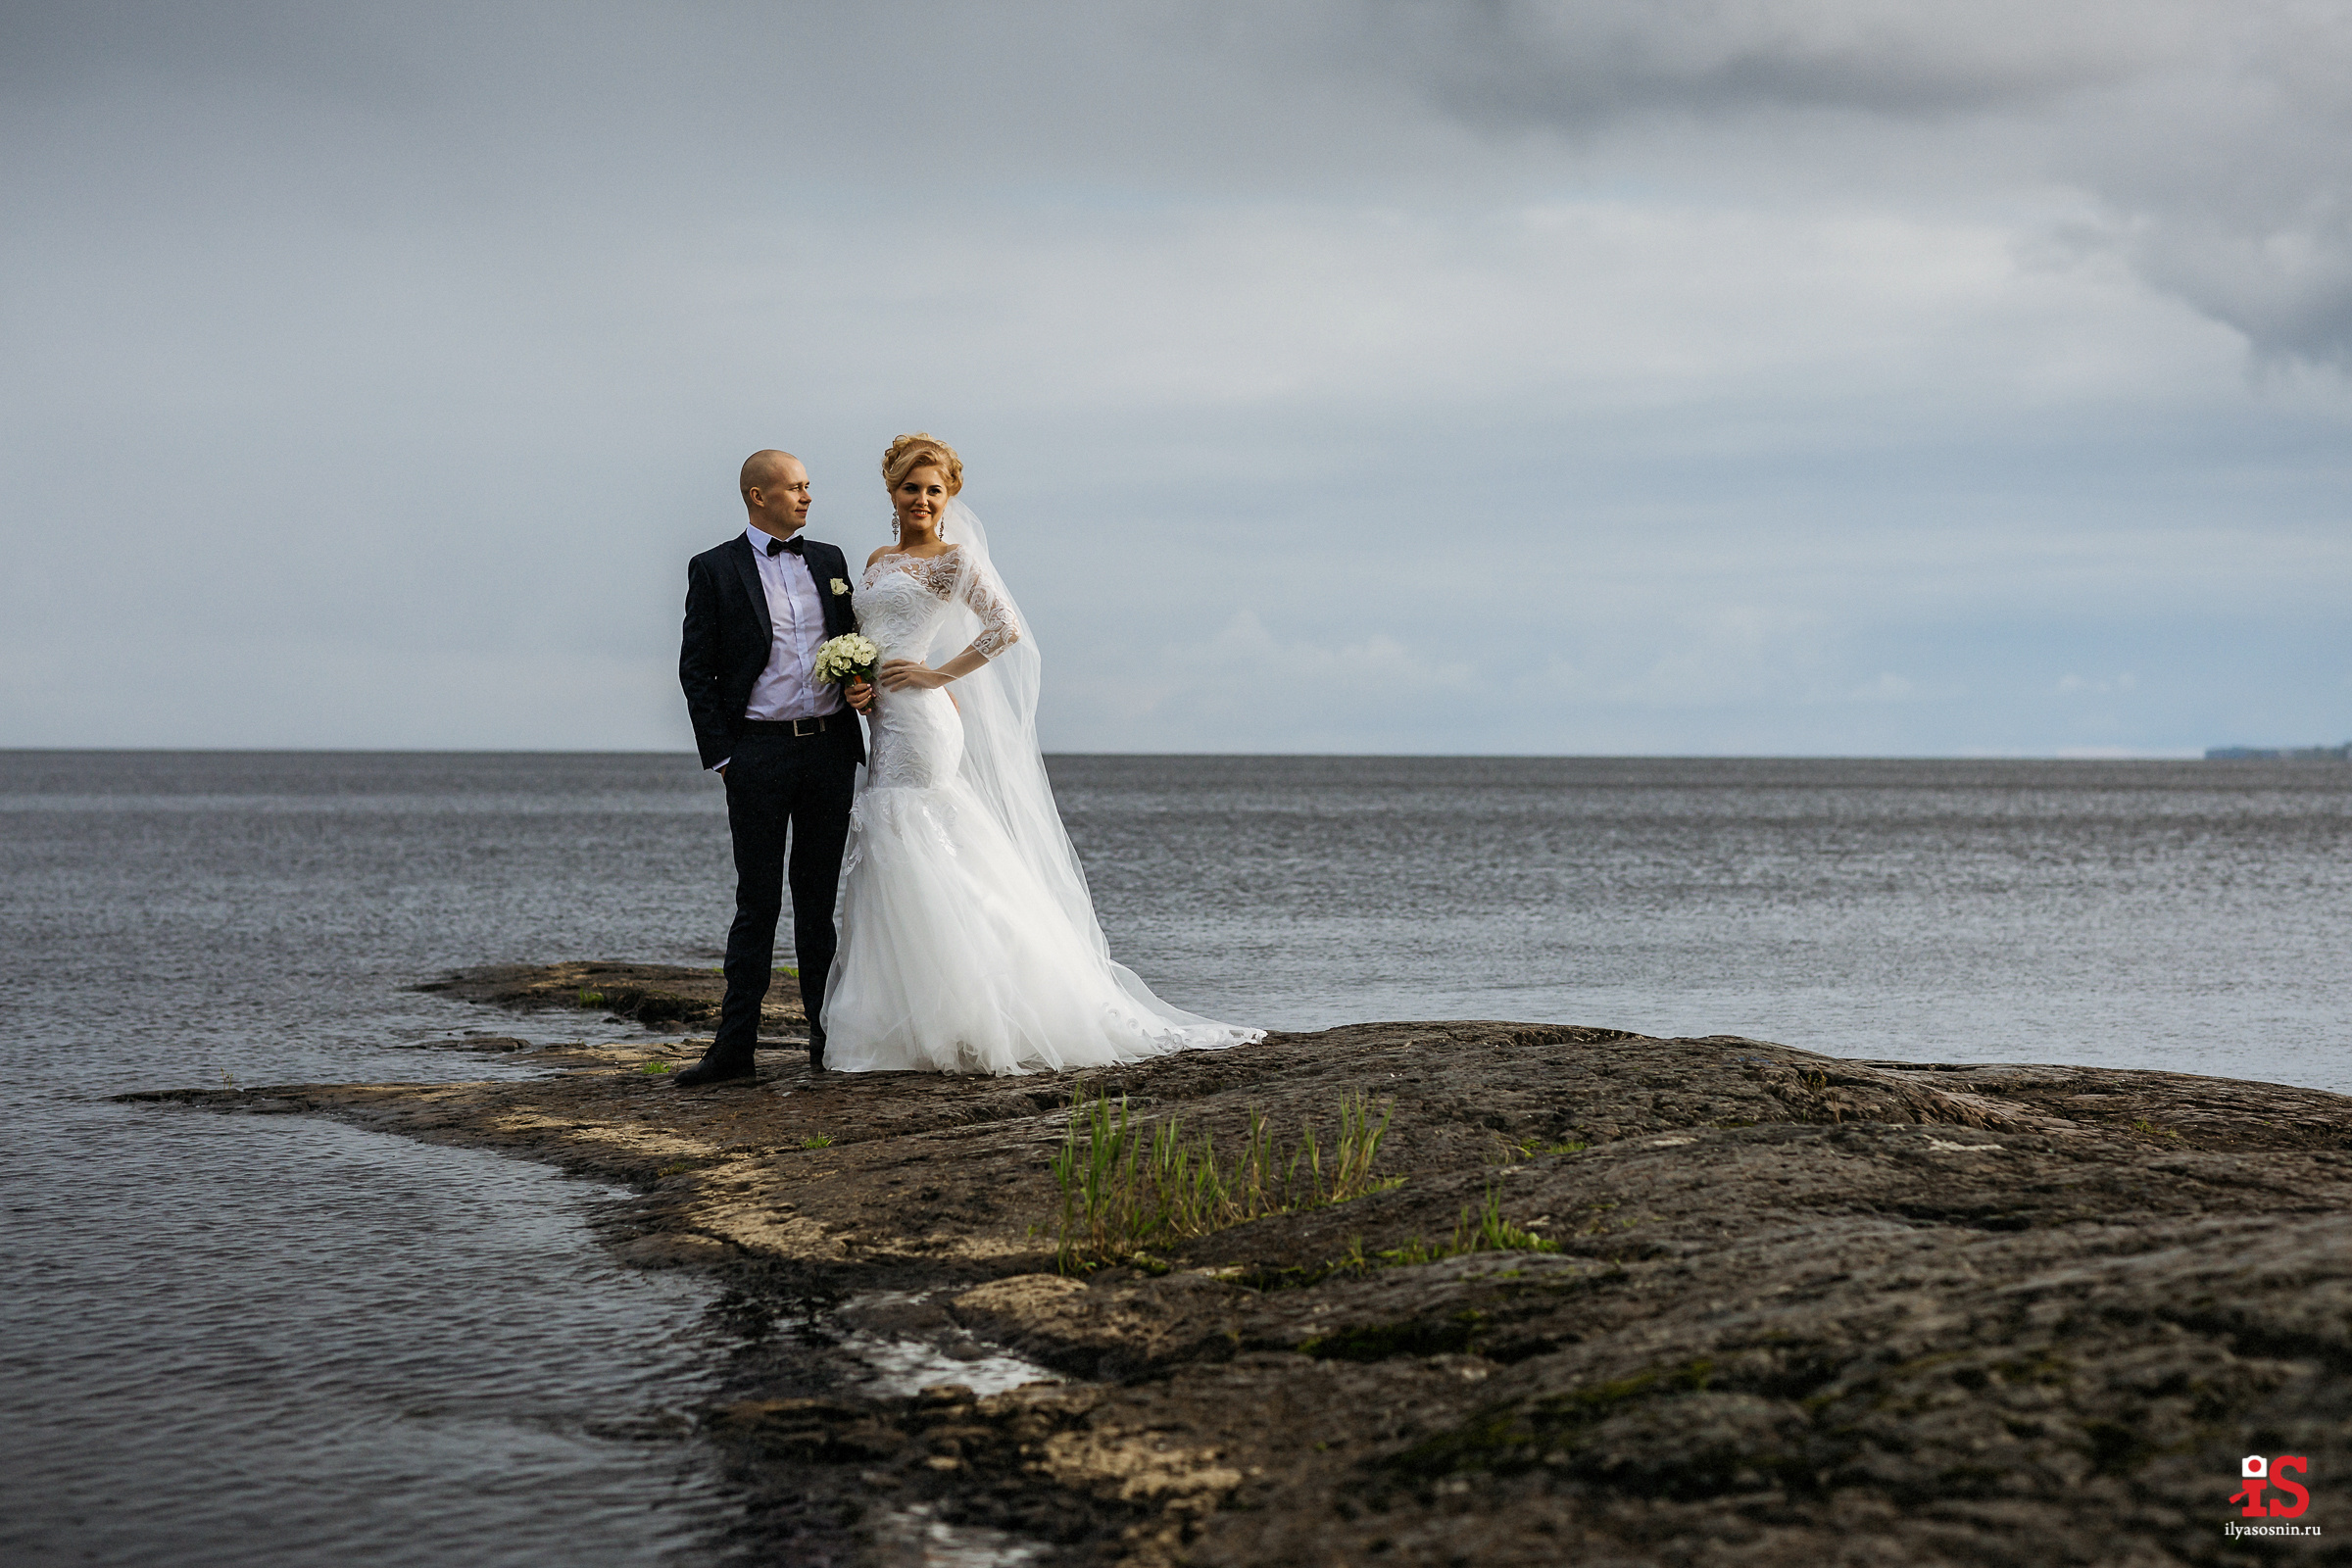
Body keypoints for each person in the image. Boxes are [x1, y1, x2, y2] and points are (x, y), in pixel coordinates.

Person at [819, 433, 1261, 1073]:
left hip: (921, 721)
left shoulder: (955, 561)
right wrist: (860, 683)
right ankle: (905, 1017)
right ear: (891, 492)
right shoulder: (878, 558)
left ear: (950, 497)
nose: (921, 499)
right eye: (910, 488)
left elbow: (1006, 631)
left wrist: (936, 678)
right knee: (895, 841)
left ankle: (979, 1010)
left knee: (913, 831)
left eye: (933, 490)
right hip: (883, 719)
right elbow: (873, 635)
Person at [674, 450, 874, 1086]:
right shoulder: (714, 569)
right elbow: (695, 672)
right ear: (757, 496)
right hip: (756, 755)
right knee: (756, 905)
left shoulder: (831, 562)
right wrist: (727, 759)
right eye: (794, 488)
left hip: (827, 753)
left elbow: (855, 643)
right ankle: (734, 1051)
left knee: (817, 909)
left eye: (809, 487)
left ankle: (826, 1043)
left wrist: (864, 684)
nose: (807, 497)